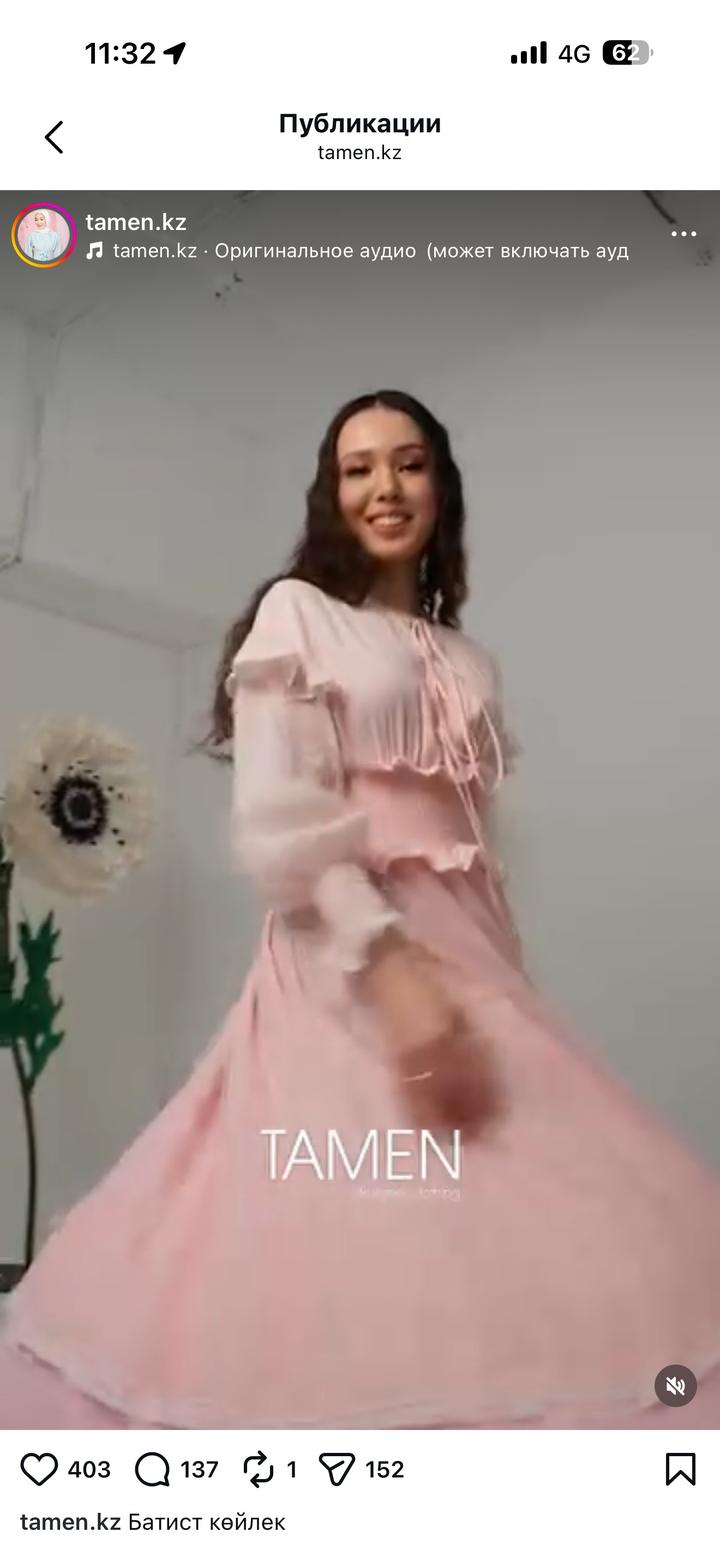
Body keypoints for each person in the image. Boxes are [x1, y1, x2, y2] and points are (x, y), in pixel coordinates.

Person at [1, 389, 719, 1431]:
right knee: (361, 1215)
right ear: (330, 494)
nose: (386, 486)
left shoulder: (472, 661)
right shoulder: (300, 615)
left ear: (442, 487)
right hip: (345, 955)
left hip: (475, 959)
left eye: (409, 462)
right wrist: (387, 963)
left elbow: (478, 847)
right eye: (359, 467)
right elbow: (277, 813)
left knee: (548, 1205)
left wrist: (500, 983)